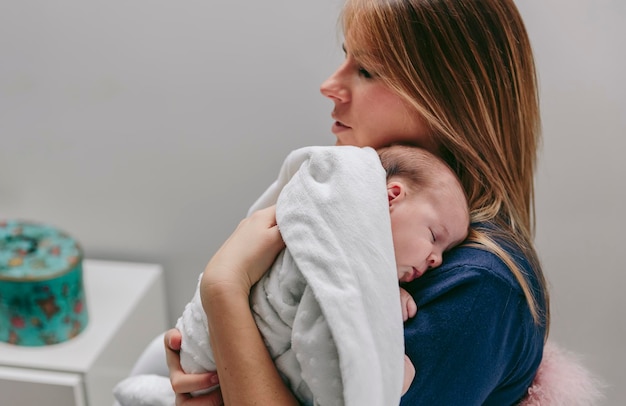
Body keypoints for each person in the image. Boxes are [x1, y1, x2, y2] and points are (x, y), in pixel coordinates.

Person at [163, 0, 550, 404]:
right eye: (346, 57)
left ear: (447, 98)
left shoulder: (479, 289)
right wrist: (211, 359)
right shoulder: (363, 217)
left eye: (366, 70)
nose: (330, 85)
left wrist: (224, 290)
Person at [113, 144, 469, 406]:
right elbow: (325, 342)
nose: (437, 260)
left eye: (445, 251)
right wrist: (387, 372)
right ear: (392, 196)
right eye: (434, 238)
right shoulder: (328, 251)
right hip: (210, 366)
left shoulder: (473, 283)